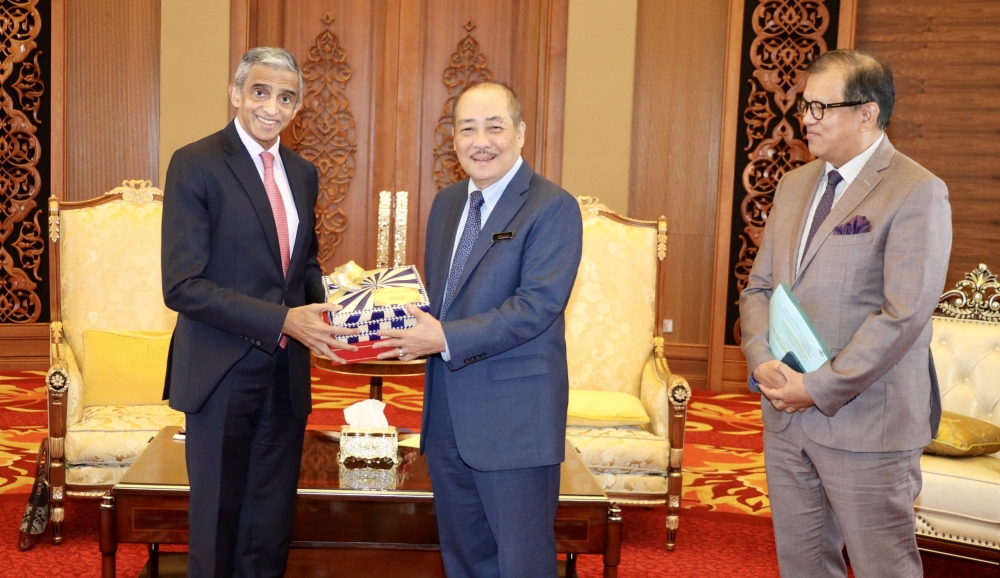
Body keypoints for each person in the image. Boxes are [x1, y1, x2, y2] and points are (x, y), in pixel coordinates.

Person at [739, 49, 952, 577]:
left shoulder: (916, 191)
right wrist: (761, 358)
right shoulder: (793, 185)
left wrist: (818, 387)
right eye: (807, 105)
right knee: (803, 564)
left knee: (884, 568)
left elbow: (901, 315)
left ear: (867, 113)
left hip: (867, 424)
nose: (804, 117)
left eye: (820, 106)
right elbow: (759, 287)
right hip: (785, 416)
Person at [161, 47, 357, 577]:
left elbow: (302, 264)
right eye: (261, 92)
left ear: (298, 108)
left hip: (286, 373)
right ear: (237, 94)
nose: (272, 106)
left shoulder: (303, 172)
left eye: (286, 97)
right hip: (220, 369)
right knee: (219, 522)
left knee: (270, 523)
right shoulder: (195, 163)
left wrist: (339, 306)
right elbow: (181, 286)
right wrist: (282, 321)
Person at [373, 81, 583, 577]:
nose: (480, 140)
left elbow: (536, 307)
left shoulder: (552, 207)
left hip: (515, 421)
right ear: (453, 137)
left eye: (495, 126)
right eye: (467, 128)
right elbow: (443, 304)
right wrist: (383, 322)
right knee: (464, 558)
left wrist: (442, 338)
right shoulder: (448, 204)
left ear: (521, 134)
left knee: (521, 561)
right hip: (447, 418)